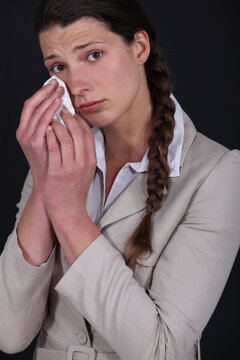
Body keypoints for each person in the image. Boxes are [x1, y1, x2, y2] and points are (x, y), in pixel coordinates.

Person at [0, 0, 239, 359]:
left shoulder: (217, 173)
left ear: (139, 47)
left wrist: (69, 216)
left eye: (93, 55)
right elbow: (9, 333)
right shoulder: (56, 156)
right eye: (59, 66)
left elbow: (163, 351)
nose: (77, 85)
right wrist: (43, 178)